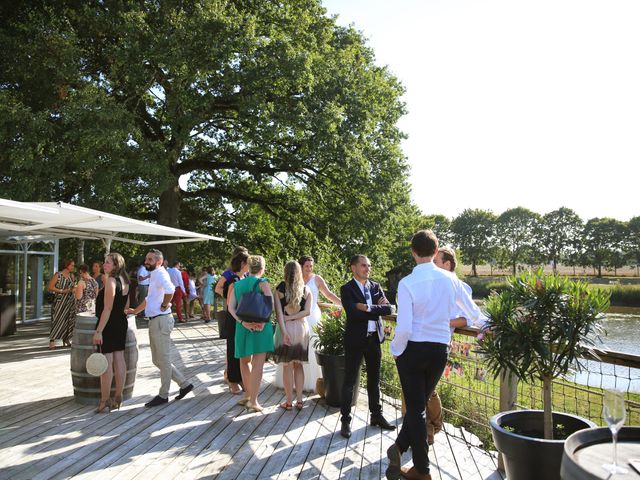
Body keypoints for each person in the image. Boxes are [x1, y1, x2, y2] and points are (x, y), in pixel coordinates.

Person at [386, 230, 487, 480]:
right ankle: (398, 447)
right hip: (439, 351)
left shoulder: (407, 283)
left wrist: (396, 350)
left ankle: (422, 470)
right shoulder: (451, 280)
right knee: (419, 404)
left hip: (413, 350)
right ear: (436, 249)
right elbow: (475, 313)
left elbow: (405, 326)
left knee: (417, 408)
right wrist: (489, 325)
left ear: (412, 252)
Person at [126, 249, 193, 408]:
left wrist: (164, 305)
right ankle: (184, 384)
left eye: (149, 259)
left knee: (163, 359)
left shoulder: (160, 273)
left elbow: (170, 290)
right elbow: (150, 298)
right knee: (158, 360)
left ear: (159, 262)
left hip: (161, 321)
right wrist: (135, 311)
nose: (146, 262)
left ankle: (163, 395)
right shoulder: (155, 274)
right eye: (146, 259)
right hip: (156, 321)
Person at [340, 255, 395, 438]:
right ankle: (345, 421)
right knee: (350, 381)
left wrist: (368, 308)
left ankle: (376, 416)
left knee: (374, 380)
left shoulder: (375, 287)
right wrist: (367, 309)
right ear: (353, 267)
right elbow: (353, 313)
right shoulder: (346, 289)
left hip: (374, 340)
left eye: (369, 265)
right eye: (363, 265)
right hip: (355, 340)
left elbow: (389, 309)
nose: (367, 268)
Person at [274, 255, 342, 392]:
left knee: (311, 347)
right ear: (300, 267)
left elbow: (328, 295)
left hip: (312, 317)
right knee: (291, 349)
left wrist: (343, 304)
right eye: (307, 266)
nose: (310, 268)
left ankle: (313, 382)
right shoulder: (292, 282)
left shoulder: (317, 279)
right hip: (297, 318)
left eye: (311, 266)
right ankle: (290, 385)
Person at [227, 255, 275, 412]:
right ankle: (253, 401)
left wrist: (242, 322)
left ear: (248, 267)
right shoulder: (263, 283)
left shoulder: (238, 285)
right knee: (258, 364)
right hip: (261, 327)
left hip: (243, 327)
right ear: (262, 269)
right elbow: (270, 305)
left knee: (244, 361)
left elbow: (231, 308)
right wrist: (261, 323)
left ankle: (247, 395)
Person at [92, 253, 130, 413]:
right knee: (119, 359)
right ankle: (118, 397)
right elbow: (126, 307)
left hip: (108, 325)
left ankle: (104, 400)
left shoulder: (111, 281)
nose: (104, 265)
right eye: (104, 262)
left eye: (108, 263)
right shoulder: (126, 281)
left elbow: (107, 309)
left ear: (116, 265)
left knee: (106, 364)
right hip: (121, 322)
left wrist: (99, 331)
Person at [272, 261, 312, 410]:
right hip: (302, 327)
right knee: (299, 365)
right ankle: (300, 400)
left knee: (287, 366)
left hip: (286, 328)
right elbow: (307, 312)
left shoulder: (279, 289)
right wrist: (293, 318)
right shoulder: (306, 289)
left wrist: (284, 331)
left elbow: (279, 314)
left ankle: (289, 402)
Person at [221, 253, 249, 394]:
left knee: (242, 350)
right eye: (248, 262)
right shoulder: (233, 280)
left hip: (244, 318)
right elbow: (229, 303)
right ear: (243, 264)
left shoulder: (246, 278)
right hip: (234, 318)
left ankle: (242, 378)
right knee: (233, 350)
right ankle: (232, 381)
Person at [48, 259, 76, 349]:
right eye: (72, 265)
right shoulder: (58, 275)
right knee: (57, 320)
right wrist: (62, 291)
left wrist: (74, 289)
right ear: (67, 265)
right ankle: (52, 341)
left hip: (70, 302)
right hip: (59, 301)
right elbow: (50, 287)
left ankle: (66, 339)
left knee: (68, 321)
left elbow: (73, 287)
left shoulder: (72, 276)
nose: (73, 267)